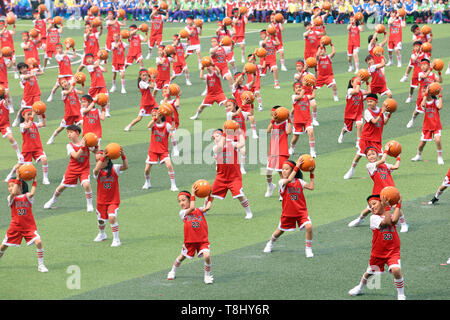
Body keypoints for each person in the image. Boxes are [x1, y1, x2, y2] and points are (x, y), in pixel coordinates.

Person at [348, 194, 406, 300]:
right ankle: (360, 287)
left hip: (393, 251)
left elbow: (394, 221)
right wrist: (388, 207)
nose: (372, 207)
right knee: (369, 273)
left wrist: (398, 204)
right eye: (370, 206)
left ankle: (401, 294)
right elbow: (387, 223)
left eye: (374, 203)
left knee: (396, 270)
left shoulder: (389, 214)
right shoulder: (373, 218)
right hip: (378, 253)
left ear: (382, 203)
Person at [348, 144, 409, 233]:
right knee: (370, 208)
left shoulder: (385, 165)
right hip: (378, 191)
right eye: (369, 155)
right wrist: (386, 150)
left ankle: (404, 224)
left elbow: (396, 167)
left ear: (377, 155)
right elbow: (383, 159)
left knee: (396, 206)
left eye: (373, 154)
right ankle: (360, 219)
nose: (371, 156)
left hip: (390, 190)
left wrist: (398, 156)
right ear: (367, 158)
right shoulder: (370, 166)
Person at [263, 157, 315, 258]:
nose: (283, 171)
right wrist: (297, 166)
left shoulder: (299, 181)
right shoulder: (281, 182)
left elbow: (311, 187)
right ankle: (270, 243)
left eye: (286, 169)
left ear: (292, 170)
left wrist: (311, 173)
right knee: (280, 231)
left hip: (301, 212)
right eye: (283, 169)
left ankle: (308, 249)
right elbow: (290, 179)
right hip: (288, 212)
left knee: (309, 227)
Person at [0, 173, 49, 273]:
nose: (10, 188)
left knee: (39, 242)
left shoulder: (28, 197)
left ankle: (41, 265)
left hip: (29, 227)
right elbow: (13, 193)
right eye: (9, 186)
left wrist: (35, 180)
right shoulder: (10, 198)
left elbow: (32, 193)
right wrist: (17, 179)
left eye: (12, 186)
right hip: (15, 227)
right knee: (3, 246)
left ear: (20, 186)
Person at [44, 124, 95, 212]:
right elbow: (75, 156)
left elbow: (96, 152)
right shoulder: (69, 145)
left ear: (77, 134)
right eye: (67, 133)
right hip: (72, 169)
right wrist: (83, 147)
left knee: (87, 184)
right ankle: (53, 199)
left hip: (84, 169)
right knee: (62, 187)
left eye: (71, 132)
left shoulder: (86, 143)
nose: (69, 134)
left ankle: (89, 204)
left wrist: (95, 145)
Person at [167, 189, 213, 284]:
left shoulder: (199, 210)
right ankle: (172, 271)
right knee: (181, 257)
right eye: (179, 201)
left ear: (189, 200)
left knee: (207, 256)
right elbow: (192, 208)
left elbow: (207, 207)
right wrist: (193, 194)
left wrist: (210, 194)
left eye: (183, 200)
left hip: (202, 240)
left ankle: (207, 276)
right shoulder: (182, 213)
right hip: (190, 241)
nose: (181, 203)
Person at [210, 123, 253, 219]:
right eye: (213, 137)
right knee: (210, 193)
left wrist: (239, 132)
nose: (215, 138)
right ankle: (205, 208)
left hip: (234, 177)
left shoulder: (232, 143)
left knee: (240, 195)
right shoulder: (215, 148)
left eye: (217, 136)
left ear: (222, 135)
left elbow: (242, 144)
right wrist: (225, 133)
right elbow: (221, 146)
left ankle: (249, 212)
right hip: (221, 177)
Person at [343, 93, 391, 180]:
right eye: (368, 102)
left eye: (371, 101)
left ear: (376, 102)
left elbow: (384, 122)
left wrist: (390, 114)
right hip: (366, 138)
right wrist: (383, 112)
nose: (369, 103)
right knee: (359, 155)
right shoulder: (367, 111)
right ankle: (351, 170)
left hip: (376, 139)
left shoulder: (380, 110)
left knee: (381, 155)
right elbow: (375, 121)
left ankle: (385, 170)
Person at [92, 147, 128, 247]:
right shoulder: (97, 172)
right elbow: (96, 169)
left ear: (107, 160)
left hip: (113, 200)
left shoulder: (115, 168)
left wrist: (123, 156)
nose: (98, 162)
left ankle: (116, 239)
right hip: (101, 201)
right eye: (97, 160)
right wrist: (103, 158)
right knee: (101, 220)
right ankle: (102, 234)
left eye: (100, 160)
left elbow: (126, 167)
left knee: (112, 218)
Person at [5, 109, 49, 185]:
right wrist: (32, 116)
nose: (30, 116)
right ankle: (10, 174)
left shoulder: (35, 124)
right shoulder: (22, 125)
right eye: (28, 114)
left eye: (31, 114)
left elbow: (44, 124)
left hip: (37, 148)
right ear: (23, 116)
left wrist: (42, 114)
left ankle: (45, 178)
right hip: (27, 149)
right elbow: (28, 126)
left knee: (44, 159)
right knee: (20, 165)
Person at [143, 107, 178, 191]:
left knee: (169, 165)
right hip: (153, 150)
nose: (153, 117)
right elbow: (148, 125)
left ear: (161, 116)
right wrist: (155, 118)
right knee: (147, 169)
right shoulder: (153, 124)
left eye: (155, 115)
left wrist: (172, 117)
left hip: (163, 151)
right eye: (152, 116)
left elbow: (173, 129)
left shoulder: (166, 125)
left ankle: (173, 185)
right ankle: (147, 182)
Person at [406, 58, 442, 129]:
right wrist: (431, 68)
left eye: (425, 65)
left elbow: (440, 81)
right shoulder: (420, 73)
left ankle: (434, 124)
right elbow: (425, 76)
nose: (422, 66)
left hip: (431, 96)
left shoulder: (433, 75)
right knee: (417, 112)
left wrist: (439, 72)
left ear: (428, 65)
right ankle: (412, 120)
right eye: (421, 65)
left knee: (433, 110)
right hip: (422, 97)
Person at [411, 88, 444, 165]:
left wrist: (440, 95)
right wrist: (425, 94)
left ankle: (440, 157)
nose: (423, 93)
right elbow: (423, 105)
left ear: (430, 92)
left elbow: (440, 107)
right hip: (427, 126)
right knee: (422, 144)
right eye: (423, 91)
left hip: (436, 125)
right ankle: (418, 155)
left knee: (437, 140)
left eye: (425, 91)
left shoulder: (435, 101)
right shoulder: (424, 102)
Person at [46, 77, 83, 145]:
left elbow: (82, 92)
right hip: (69, 114)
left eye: (65, 82)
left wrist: (82, 83)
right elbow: (69, 91)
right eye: (62, 83)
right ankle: (51, 138)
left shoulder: (74, 90)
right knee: (61, 128)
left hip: (77, 113)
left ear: (68, 82)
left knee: (83, 124)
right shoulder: (63, 92)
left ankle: (83, 141)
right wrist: (74, 82)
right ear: (61, 86)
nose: (64, 84)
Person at [265, 105, 292, 198]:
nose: (273, 117)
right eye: (272, 115)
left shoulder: (285, 123)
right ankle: (270, 186)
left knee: (282, 173)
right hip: (272, 152)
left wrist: (289, 120)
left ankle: (282, 192)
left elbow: (288, 132)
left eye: (275, 115)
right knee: (268, 172)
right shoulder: (273, 124)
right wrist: (272, 121)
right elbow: (268, 131)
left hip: (282, 151)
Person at [338, 76, 369, 146]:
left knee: (359, 124)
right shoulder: (350, 90)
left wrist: (367, 81)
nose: (358, 83)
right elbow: (356, 91)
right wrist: (359, 81)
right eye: (356, 82)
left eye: (359, 82)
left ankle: (358, 141)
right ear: (352, 83)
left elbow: (369, 91)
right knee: (346, 129)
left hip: (358, 112)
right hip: (349, 113)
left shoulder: (360, 90)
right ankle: (342, 133)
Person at [289, 82, 316, 157]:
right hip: (298, 120)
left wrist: (314, 87)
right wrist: (304, 86)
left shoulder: (307, 96)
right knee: (295, 137)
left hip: (307, 120)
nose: (299, 88)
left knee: (311, 132)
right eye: (296, 87)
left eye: (300, 87)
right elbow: (300, 97)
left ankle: (312, 151)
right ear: (294, 90)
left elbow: (313, 96)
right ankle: (291, 148)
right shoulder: (294, 97)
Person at [0, 88, 20, 159]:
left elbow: (7, 97)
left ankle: (18, 153)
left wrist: (4, 91)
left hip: (4, 124)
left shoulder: (4, 102)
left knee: (10, 137)